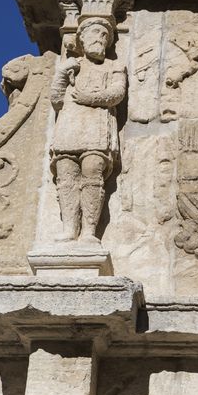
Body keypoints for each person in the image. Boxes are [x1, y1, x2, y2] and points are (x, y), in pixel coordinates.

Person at [49, 17, 127, 244]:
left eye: (105, 35)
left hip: (97, 125)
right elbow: (56, 100)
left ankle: (89, 232)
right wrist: (62, 74)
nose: (100, 38)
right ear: (82, 38)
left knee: (93, 171)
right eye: (95, 33)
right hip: (70, 124)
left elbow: (117, 94)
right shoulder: (72, 66)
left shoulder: (114, 66)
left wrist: (89, 98)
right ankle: (69, 229)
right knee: (66, 174)